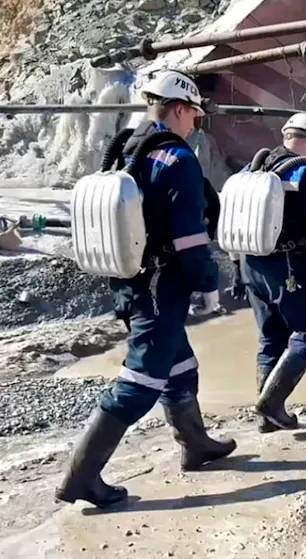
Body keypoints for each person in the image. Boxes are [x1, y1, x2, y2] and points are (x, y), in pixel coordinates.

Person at [56, 70, 235, 509]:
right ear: (180, 109)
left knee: (180, 365)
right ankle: (81, 477)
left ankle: (195, 444)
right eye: (194, 114)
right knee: (140, 380)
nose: (195, 122)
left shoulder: (127, 148)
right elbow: (190, 237)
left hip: (129, 279)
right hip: (159, 285)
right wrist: (207, 285)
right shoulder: (178, 158)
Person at [232, 113, 306, 433]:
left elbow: (233, 220)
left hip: (250, 265)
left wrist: (237, 269)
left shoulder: (250, 169)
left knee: (271, 338)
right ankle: (271, 403)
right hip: (288, 264)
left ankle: (266, 419)